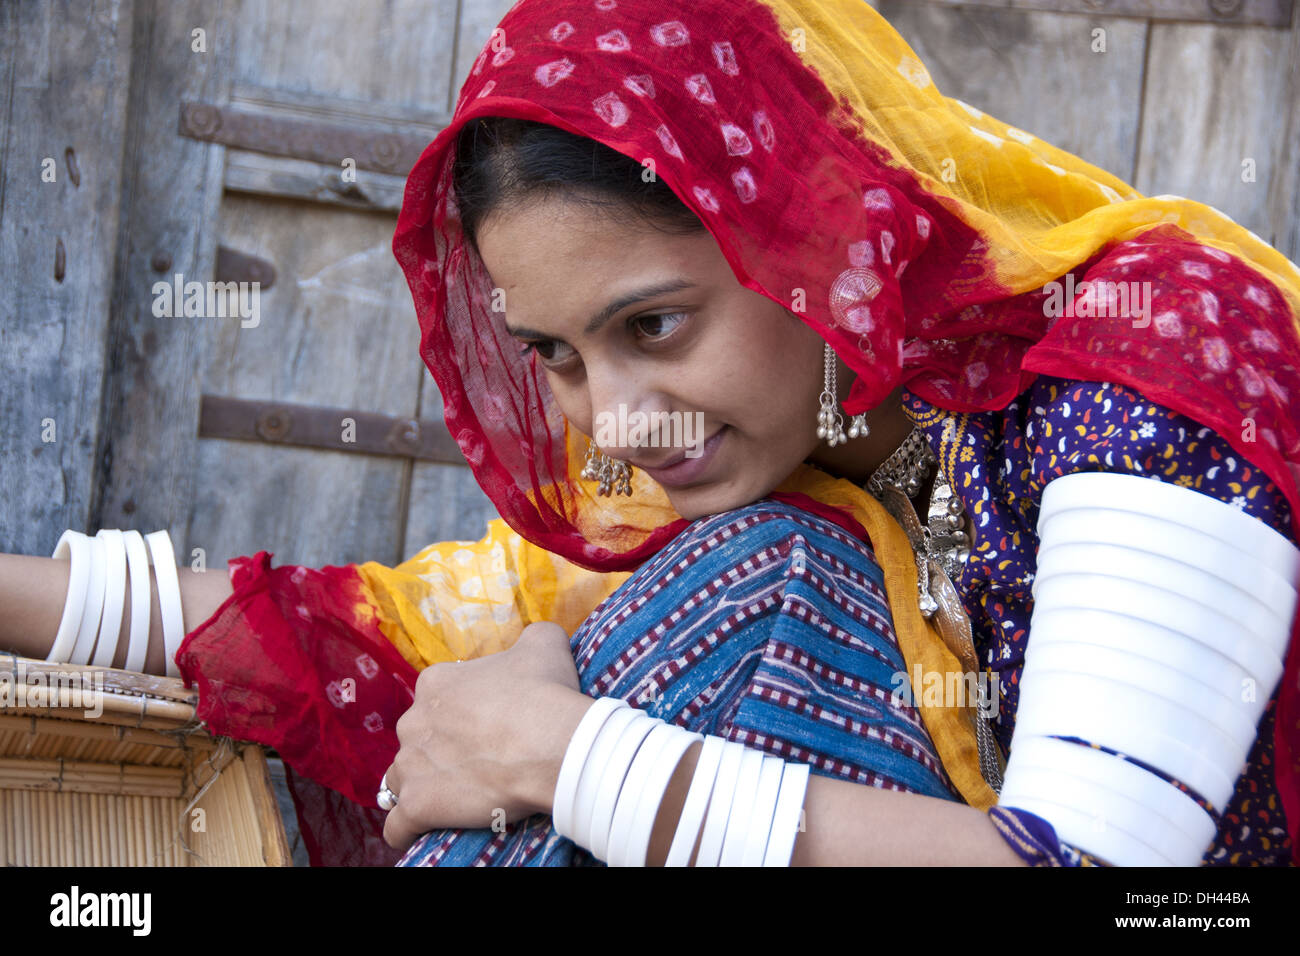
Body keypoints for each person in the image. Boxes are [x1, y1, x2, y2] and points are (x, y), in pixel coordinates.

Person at [5, 0, 1299, 866]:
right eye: (557, 358)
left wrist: (572, 758)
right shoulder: (789, 455)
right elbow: (374, 618)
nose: (614, 425)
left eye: (658, 326)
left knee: (753, 584)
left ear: (812, 230)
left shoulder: (1144, 349)